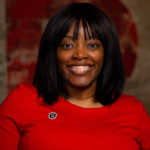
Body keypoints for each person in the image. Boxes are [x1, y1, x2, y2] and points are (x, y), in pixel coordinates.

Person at [0, 3, 150, 150]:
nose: (80, 54)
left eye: (92, 45)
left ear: (107, 53)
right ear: (53, 53)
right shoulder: (21, 102)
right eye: (67, 45)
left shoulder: (134, 111)